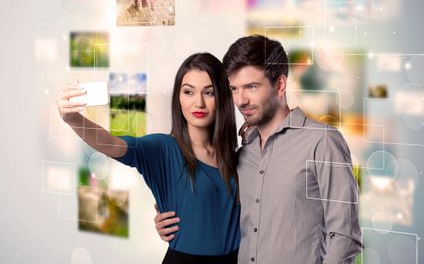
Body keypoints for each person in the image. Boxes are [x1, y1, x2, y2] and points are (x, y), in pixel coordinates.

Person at [155, 35, 363, 263]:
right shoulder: (243, 153)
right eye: (234, 89)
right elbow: (215, 206)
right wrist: (167, 213)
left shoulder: (321, 142)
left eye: (251, 87)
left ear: (280, 85)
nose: (241, 100)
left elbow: (345, 236)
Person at [57, 53, 240, 264]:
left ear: (222, 97)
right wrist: (72, 118)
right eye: (188, 92)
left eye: (209, 92)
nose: (198, 102)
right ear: (178, 98)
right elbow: (110, 143)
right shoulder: (163, 149)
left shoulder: (237, 158)